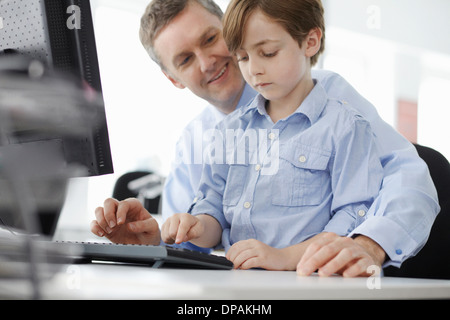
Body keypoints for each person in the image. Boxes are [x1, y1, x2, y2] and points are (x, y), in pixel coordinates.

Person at [91, 0, 439, 277]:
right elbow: (196, 238)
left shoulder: (331, 101)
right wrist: (153, 242)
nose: (208, 61)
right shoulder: (194, 143)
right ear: (174, 79)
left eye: (211, 39)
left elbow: (408, 178)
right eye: (185, 59)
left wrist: (367, 243)